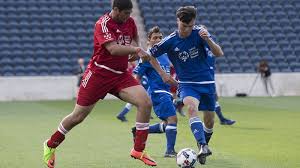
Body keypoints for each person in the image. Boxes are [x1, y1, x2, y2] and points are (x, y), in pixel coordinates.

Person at [42, 0, 177, 167]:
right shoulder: (102, 24)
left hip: (120, 75)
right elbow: (112, 49)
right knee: (78, 117)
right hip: (98, 75)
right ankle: (50, 144)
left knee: (145, 102)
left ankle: (138, 149)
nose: (129, 16)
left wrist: (136, 48)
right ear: (115, 10)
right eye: (125, 13)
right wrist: (135, 50)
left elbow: (135, 40)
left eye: (130, 13)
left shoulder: (130, 21)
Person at [147, 6, 224, 165]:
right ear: (178, 21)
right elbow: (150, 56)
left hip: (207, 83)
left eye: (190, 26)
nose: (187, 29)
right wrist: (163, 74)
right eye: (184, 26)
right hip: (187, 84)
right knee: (191, 108)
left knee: (209, 122)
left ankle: (204, 145)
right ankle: (203, 146)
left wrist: (208, 39)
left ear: (194, 22)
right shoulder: (169, 41)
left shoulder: (200, 34)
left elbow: (218, 53)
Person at [132, 26, 178, 157]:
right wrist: (137, 96)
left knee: (166, 124)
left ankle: (139, 131)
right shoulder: (147, 57)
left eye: (160, 38)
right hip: (157, 93)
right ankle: (169, 151)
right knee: (172, 119)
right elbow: (137, 78)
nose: (158, 40)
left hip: (166, 93)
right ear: (148, 41)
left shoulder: (164, 55)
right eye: (155, 38)